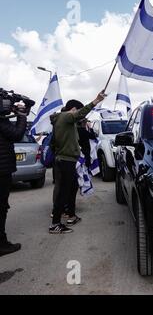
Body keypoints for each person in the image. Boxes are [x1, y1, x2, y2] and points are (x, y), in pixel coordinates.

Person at [49, 91, 106, 234]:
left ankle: (70, 215)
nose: (81, 115)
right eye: (78, 111)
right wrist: (96, 101)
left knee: (72, 187)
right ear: (73, 109)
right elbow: (79, 114)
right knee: (64, 191)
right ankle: (55, 223)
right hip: (66, 160)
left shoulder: (65, 121)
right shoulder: (66, 117)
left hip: (67, 160)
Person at [0, 104, 28, 256]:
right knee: (1, 207)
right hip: (2, 170)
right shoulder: (1, 121)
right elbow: (17, 134)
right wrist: (21, 116)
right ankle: (2, 244)